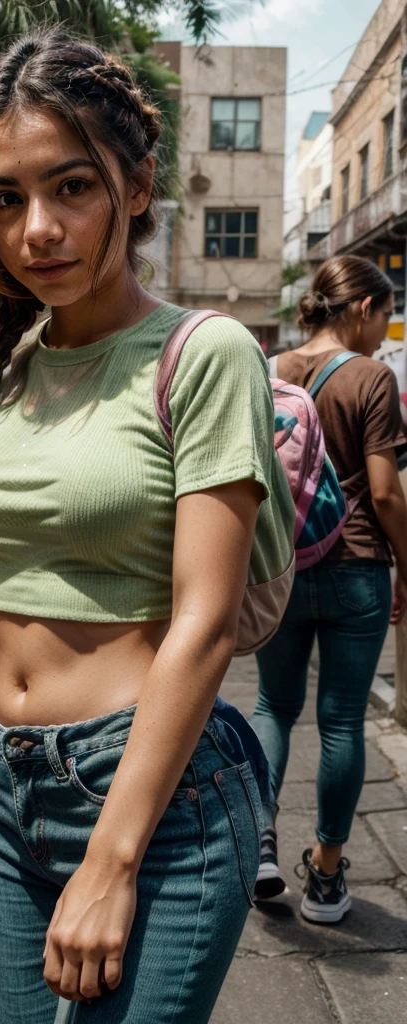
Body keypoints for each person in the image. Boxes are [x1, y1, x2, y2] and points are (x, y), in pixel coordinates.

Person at [0, 28, 293, 1023]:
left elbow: (202, 622)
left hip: (156, 802)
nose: (36, 228)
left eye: (69, 186)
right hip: (2, 787)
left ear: (133, 185)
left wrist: (111, 859)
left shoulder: (202, 355)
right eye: (4, 198)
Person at [251, 255, 407, 923]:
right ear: (364, 310)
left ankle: (256, 840)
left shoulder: (273, 369)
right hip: (357, 566)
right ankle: (325, 875)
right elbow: (384, 491)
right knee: (342, 721)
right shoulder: (373, 378)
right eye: (386, 315)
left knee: (273, 706)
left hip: (282, 564)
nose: (386, 329)